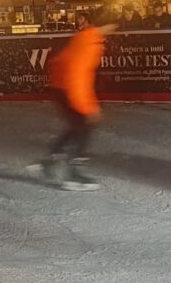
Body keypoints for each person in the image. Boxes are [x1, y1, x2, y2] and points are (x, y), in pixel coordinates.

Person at [27, 10, 119, 191]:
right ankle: (73, 175)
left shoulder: (88, 37)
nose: (114, 30)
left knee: (77, 125)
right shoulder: (90, 42)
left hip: (60, 84)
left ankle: (49, 164)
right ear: (106, 25)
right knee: (84, 124)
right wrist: (89, 107)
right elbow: (78, 75)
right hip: (66, 86)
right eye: (113, 26)